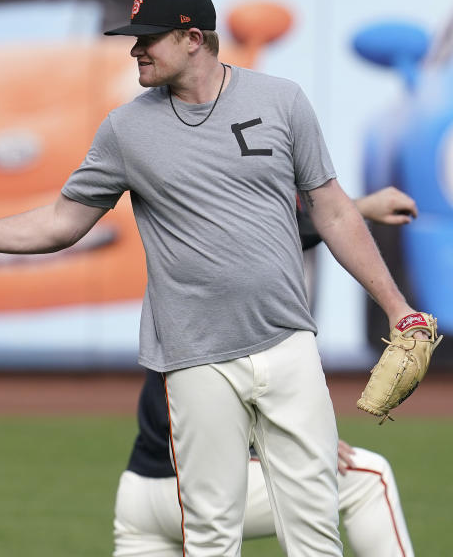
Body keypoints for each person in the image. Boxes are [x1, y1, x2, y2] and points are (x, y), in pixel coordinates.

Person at [0, 0, 433, 555]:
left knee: (315, 533)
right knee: (210, 536)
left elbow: (331, 210)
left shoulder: (281, 101)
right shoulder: (125, 130)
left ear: (192, 38)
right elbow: (60, 224)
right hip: (193, 359)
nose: (135, 49)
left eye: (147, 38)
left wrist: (397, 307)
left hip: (288, 343)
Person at [114, 186, 419, 557]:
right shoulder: (246, 305)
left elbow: (272, 231)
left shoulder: (183, 273)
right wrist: (298, 441)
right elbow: (275, 233)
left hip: (139, 496)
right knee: (370, 478)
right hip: (202, 490)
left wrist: (361, 208)